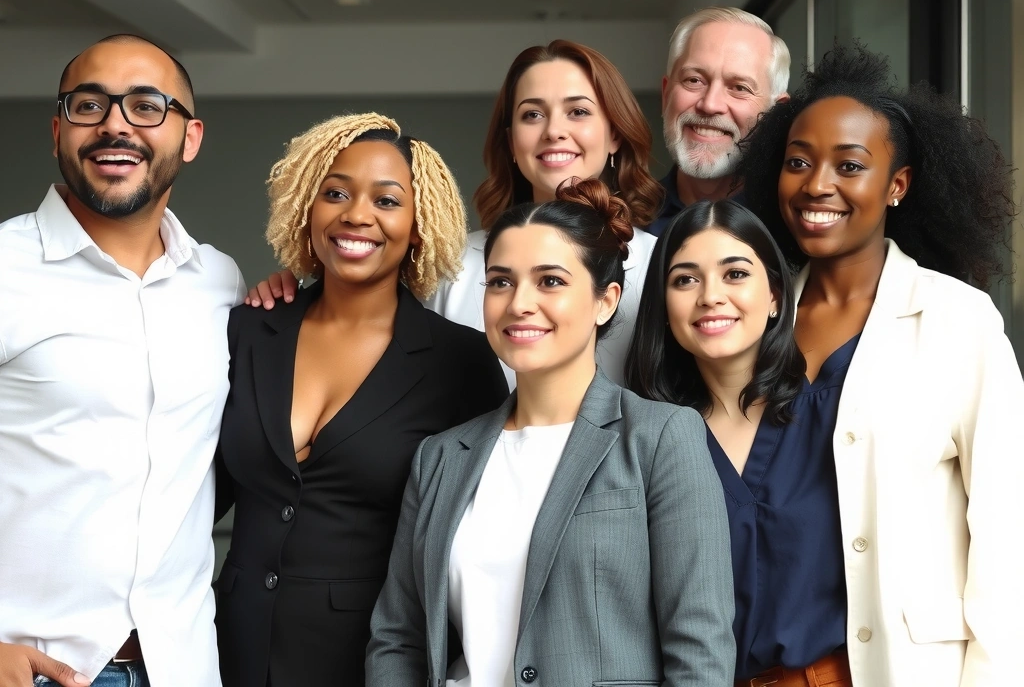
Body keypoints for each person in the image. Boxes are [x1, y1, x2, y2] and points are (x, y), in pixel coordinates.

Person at [365, 179, 736, 687]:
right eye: (500, 281)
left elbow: (700, 649)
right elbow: (398, 637)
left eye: (550, 281)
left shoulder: (660, 438)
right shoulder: (441, 457)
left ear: (606, 301)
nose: (519, 303)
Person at [733, 44, 1022, 685]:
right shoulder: (751, 317)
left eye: (850, 165)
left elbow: (1009, 536)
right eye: (799, 162)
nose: (817, 185)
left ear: (898, 184)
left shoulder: (958, 322)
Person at [213, 113, 508, 687]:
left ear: (419, 224)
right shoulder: (249, 332)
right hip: (228, 650)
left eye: (387, 200)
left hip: (372, 660)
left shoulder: (461, 362)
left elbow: (478, 539)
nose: (357, 214)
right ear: (307, 206)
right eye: (337, 193)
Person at [0, 35, 245, 687]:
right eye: (90, 105)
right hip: (36, 672)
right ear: (58, 131)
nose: (115, 124)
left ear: (189, 138)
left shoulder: (220, 283)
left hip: (184, 666)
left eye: (145, 106)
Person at [246, 40, 665, 388]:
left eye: (578, 111)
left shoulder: (659, 266)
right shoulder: (456, 265)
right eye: (532, 114)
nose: (553, 130)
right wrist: (293, 296)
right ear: (511, 143)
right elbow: (362, 320)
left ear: (614, 134)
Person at [628, 201, 860, 685]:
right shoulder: (643, 442)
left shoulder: (842, 417)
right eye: (685, 279)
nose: (711, 296)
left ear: (775, 295)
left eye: (735, 274)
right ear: (662, 304)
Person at [648, 6, 791, 235]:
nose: (710, 104)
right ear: (666, 96)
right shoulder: (622, 225)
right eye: (694, 80)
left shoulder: (794, 230)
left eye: (739, 88)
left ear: (776, 114)